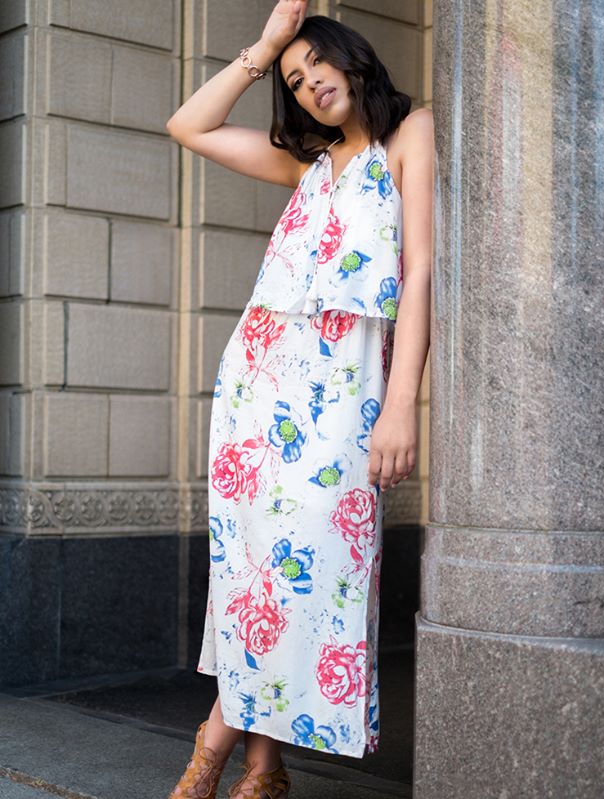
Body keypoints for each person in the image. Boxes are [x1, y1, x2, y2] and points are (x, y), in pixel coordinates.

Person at [165, 1, 432, 796]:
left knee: (312, 566)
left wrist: (402, 401)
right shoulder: (309, 164)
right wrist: (266, 46)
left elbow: (419, 272)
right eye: (295, 77)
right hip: (260, 385)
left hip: (346, 387)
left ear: (353, 58)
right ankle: (263, 768)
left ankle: (211, 744)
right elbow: (190, 124)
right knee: (256, 576)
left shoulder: (409, 134)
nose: (309, 81)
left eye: (318, 61)